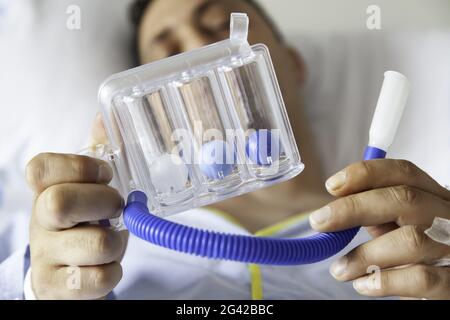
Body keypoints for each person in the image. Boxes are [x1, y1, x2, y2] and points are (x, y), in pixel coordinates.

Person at [0, 0, 449, 300]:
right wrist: (39, 289)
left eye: (218, 28)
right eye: (168, 51)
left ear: (291, 65)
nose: (199, 50)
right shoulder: (58, 236)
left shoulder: (411, 235)